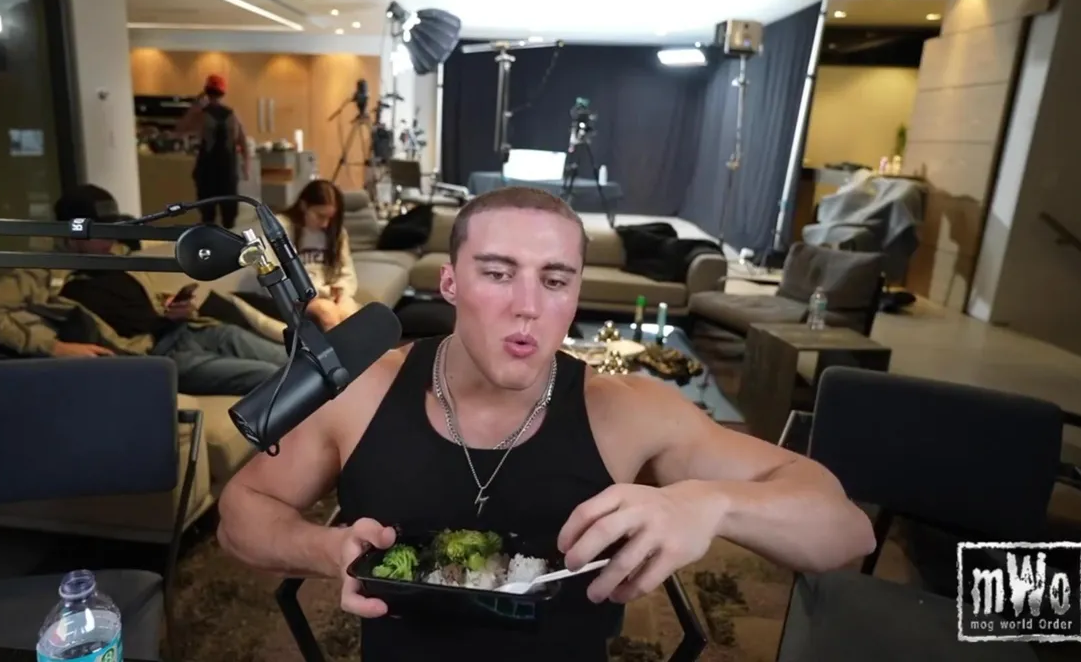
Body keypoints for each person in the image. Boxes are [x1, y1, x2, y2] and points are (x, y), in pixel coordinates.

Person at [215, 186, 877, 661]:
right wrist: (328, 551)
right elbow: (242, 513)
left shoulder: (628, 411)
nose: (528, 306)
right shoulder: (362, 390)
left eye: (555, 281)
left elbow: (846, 534)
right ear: (449, 283)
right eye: (498, 274)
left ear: (576, 293)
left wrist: (712, 503)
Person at [0, 185, 288, 397]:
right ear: (73, 232)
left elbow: (139, 306)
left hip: (192, 329)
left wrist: (174, 309)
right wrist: (55, 347)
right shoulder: (39, 274)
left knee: (294, 359)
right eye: (101, 230)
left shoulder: (120, 256)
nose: (111, 237)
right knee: (271, 376)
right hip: (158, 357)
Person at [275, 179, 360, 330]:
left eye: (330, 217)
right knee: (327, 313)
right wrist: (320, 294)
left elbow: (347, 273)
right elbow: (278, 276)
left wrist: (341, 291)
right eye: (320, 216)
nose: (325, 223)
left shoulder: (336, 232)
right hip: (299, 297)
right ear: (304, 206)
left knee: (350, 314)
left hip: (330, 293)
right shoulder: (281, 228)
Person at [176, 74, 248, 229]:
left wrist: (194, 107)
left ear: (206, 92)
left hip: (208, 170)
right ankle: (228, 237)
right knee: (229, 214)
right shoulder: (232, 114)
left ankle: (211, 238)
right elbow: (243, 141)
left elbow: (180, 129)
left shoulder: (201, 114)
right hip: (226, 170)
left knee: (208, 215)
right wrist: (245, 165)